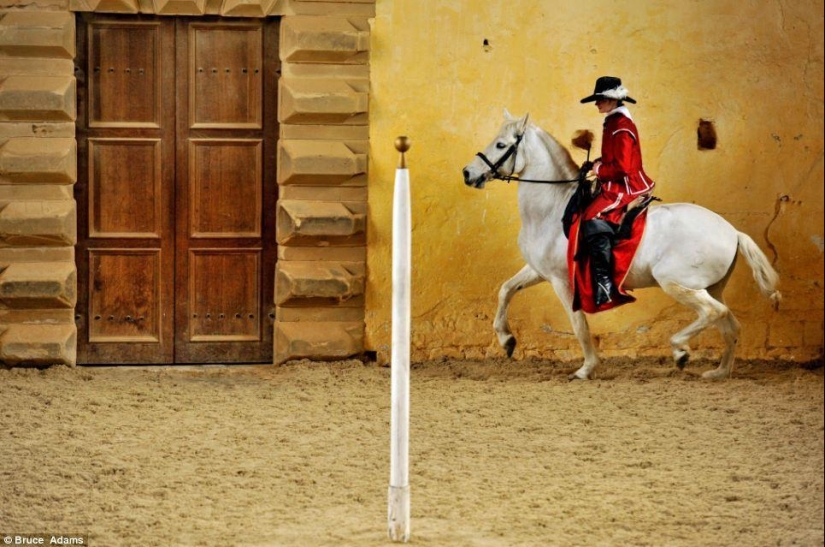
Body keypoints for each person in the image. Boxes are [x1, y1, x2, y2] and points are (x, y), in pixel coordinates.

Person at [579, 76, 655, 307]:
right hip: (616, 181)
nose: (597, 103)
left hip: (625, 186)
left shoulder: (621, 125)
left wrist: (599, 169)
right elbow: (615, 158)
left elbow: (622, 167)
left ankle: (604, 283)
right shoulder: (613, 121)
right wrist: (595, 164)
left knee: (593, 217)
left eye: (600, 99)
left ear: (613, 100)